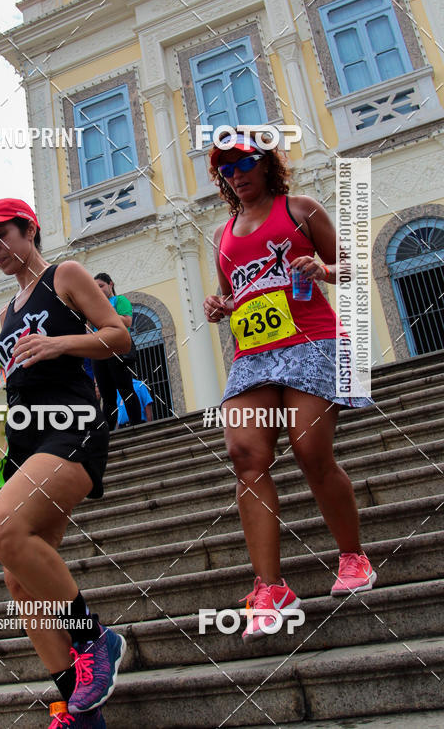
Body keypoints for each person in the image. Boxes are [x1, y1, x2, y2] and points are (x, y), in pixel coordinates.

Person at [0, 198, 132, 727]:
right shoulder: (7, 310)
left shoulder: (67, 275)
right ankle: (79, 710)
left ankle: (94, 638)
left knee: (3, 529)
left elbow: (120, 335)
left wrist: (60, 342)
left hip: (72, 426)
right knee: (18, 580)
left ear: (29, 230)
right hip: (24, 442)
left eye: (2, 236)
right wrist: (4, 466)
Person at [203, 133, 375, 640]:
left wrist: (322, 268)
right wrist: (221, 306)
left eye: (244, 163)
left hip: (312, 341)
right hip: (254, 354)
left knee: (311, 452)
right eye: (226, 169)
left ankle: (352, 557)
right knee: (244, 454)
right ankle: (271, 587)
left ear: (266, 164)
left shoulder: (299, 209)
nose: (237, 174)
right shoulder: (225, 234)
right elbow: (235, 293)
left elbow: (352, 266)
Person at [91, 273, 142, 430]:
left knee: (125, 388)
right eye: (95, 287)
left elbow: (127, 321)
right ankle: (108, 430)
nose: (98, 290)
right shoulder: (93, 306)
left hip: (117, 348)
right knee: (107, 396)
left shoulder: (119, 301)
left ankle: (137, 425)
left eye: (101, 286)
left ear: (110, 284)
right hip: (99, 351)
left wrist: (106, 313)